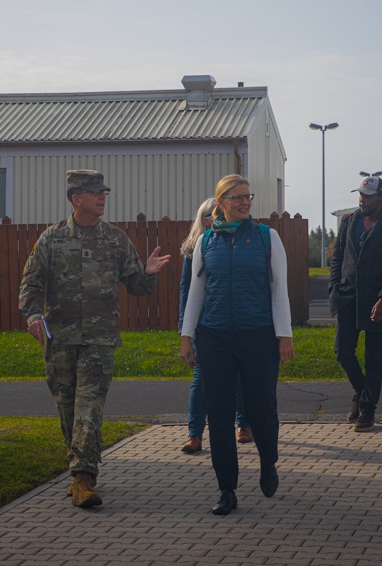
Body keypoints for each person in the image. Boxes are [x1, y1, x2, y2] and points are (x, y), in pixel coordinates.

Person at [19, 169, 170, 508]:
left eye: (105, 192)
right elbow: (30, 283)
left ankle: (84, 479)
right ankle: (77, 474)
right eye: (95, 193)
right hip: (59, 341)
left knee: (89, 407)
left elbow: (136, 286)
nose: (103, 198)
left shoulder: (116, 239)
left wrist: (146, 273)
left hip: (100, 341)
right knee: (68, 409)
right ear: (76, 199)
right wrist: (32, 316)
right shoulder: (51, 239)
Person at [180, 174, 294, 515]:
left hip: (257, 335)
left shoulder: (266, 237)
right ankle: (226, 489)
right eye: (237, 197)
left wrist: (284, 335)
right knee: (219, 414)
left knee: (261, 409)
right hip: (214, 338)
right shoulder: (206, 242)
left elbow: (279, 290)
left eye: (248, 197)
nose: (245, 202)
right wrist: (187, 335)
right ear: (221, 204)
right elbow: (196, 293)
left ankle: (268, 461)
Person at [329, 173, 382, 432]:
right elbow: (337, 256)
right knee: (342, 351)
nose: (363, 200)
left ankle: (368, 410)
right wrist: (334, 288)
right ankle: (361, 392)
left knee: (374, 358)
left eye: (369, 196)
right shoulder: (349, 221)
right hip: (348, 296)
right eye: (361, 195)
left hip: (377, 300)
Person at [178, 198, 251, 454]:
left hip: (233, 325)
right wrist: (185, 330)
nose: (215, 218)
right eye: (211, 215)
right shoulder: (194, 249)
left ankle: (244, 424)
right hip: (204, 327)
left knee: (239, 377)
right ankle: (194, 434)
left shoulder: (239, 243)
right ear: (203, 218)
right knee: (200, 379)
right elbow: (187, 292)